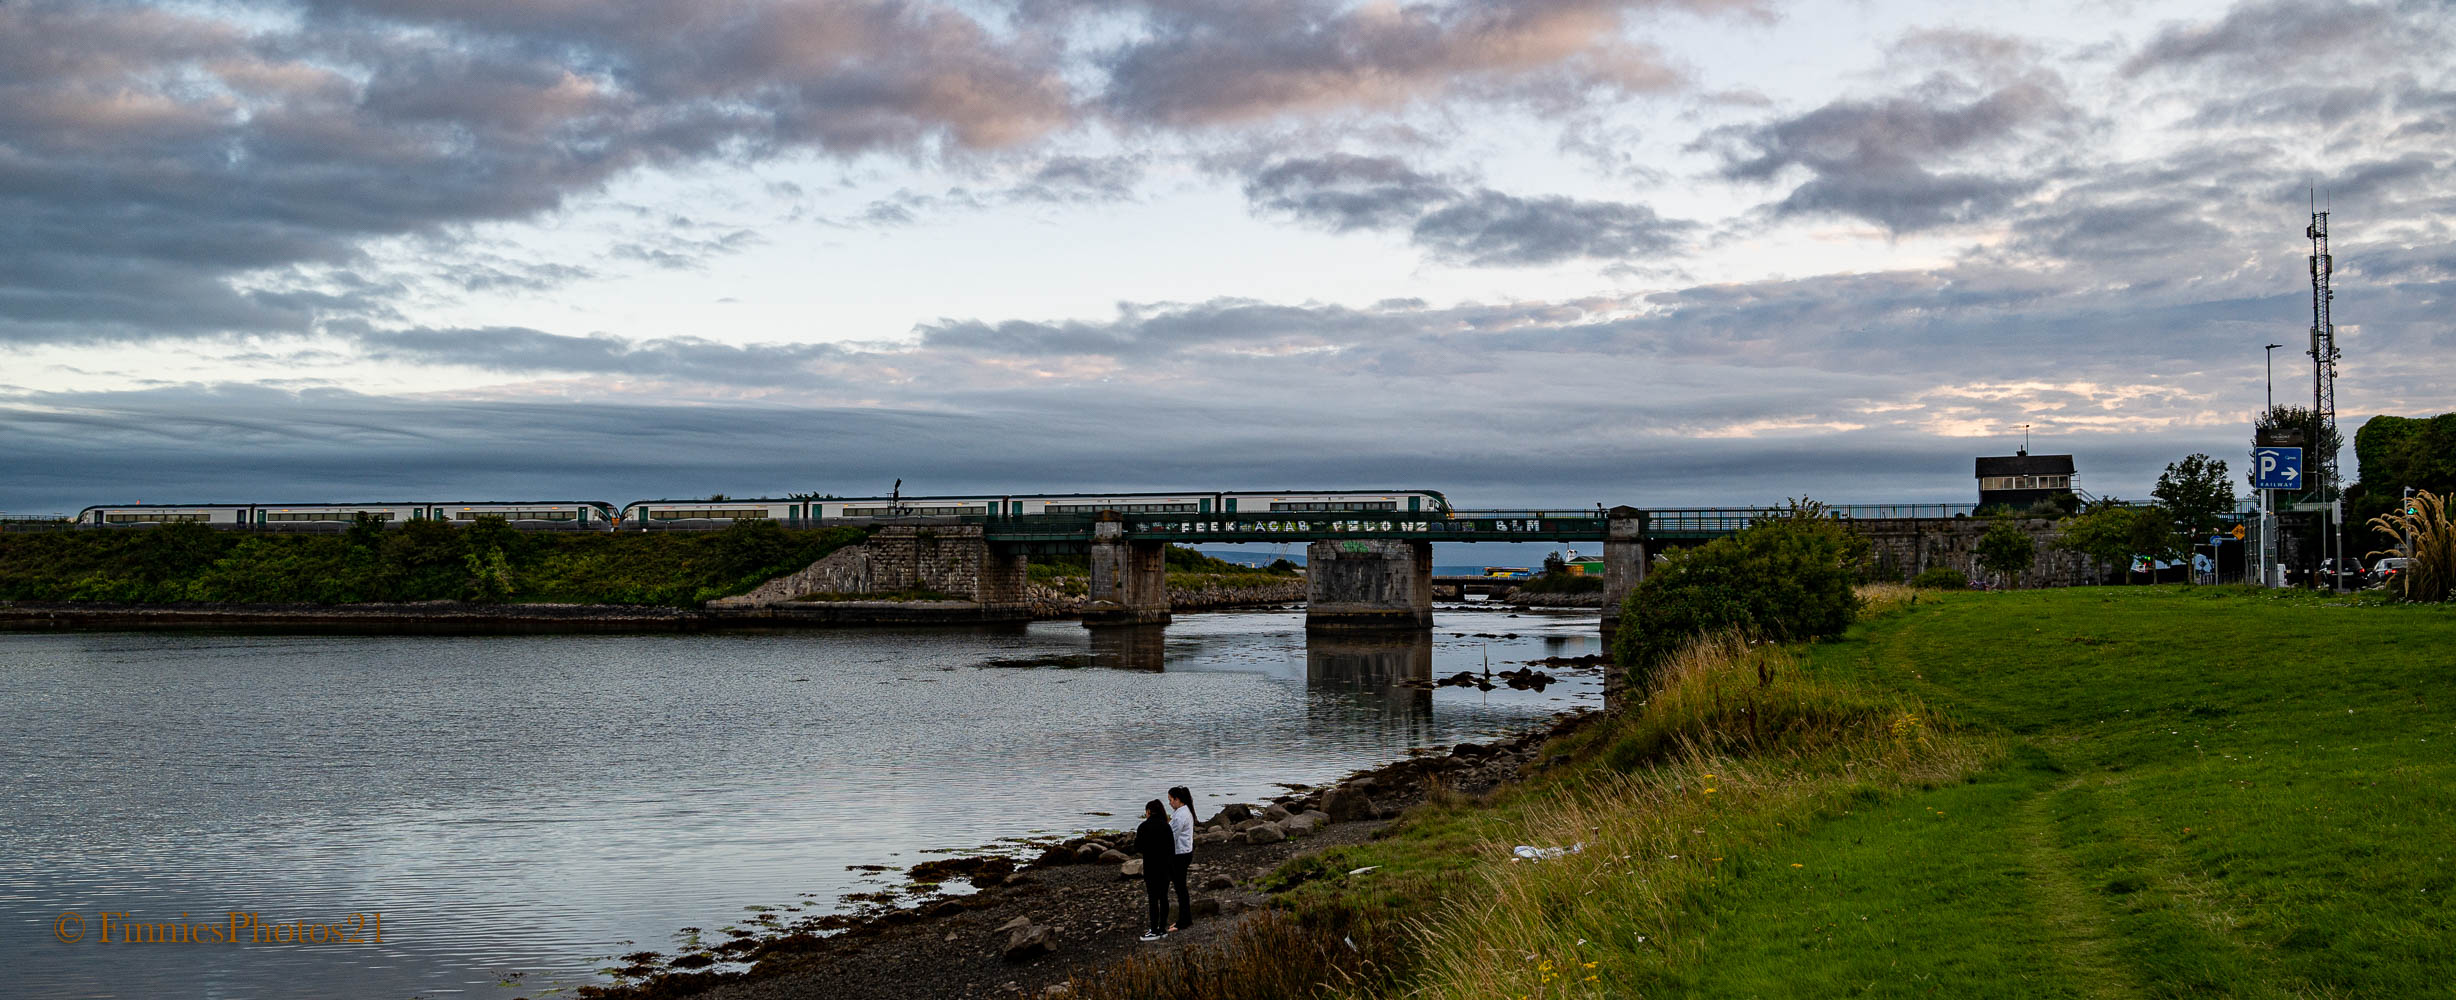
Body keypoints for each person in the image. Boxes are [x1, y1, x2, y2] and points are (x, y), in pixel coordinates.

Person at [1133, 799, 1173, 941]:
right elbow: (1171, 848)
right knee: (1163, 897)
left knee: (1152, 898)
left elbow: (1137, 847)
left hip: (1151, 866)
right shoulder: (1166, 826)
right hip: (1165, 866)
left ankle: (1154, 930)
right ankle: (1162, 928)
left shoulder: (1143, 827)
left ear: (1148, 812)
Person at [1165, 785, 1195, 931]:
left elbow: (1171, 836)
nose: (1169, 803)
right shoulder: (1182, 812)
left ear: (1177, 799)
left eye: (1171, 800)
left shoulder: (1181, 815)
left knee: (1181, 889)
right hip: (1184, 852)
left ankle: (1185, 920)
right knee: (1180, 888)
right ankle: (1184, 918)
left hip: (1180, 855)